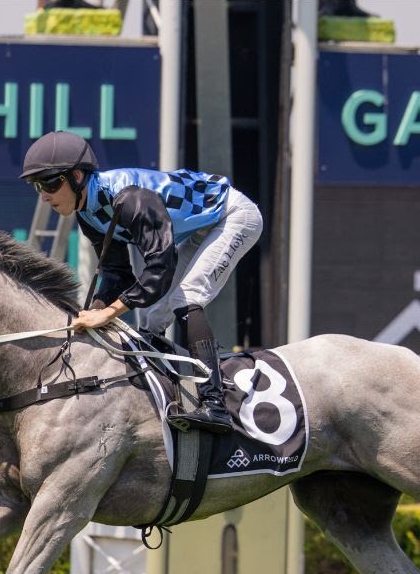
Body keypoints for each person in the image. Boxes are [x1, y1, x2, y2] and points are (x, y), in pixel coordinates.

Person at [20, 130, 264, 434]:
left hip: (232, 215)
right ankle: (166, 394)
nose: (44, 195)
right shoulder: (89, 214)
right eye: (37, 186)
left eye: (51, 183)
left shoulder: (130, 199)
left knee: (186, 298)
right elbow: (116, 275)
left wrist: (107, 313)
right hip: (198, 229)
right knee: (151, 318)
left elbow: (158, 270)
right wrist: (90, 313)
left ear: (78, 177)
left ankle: (215, 404)